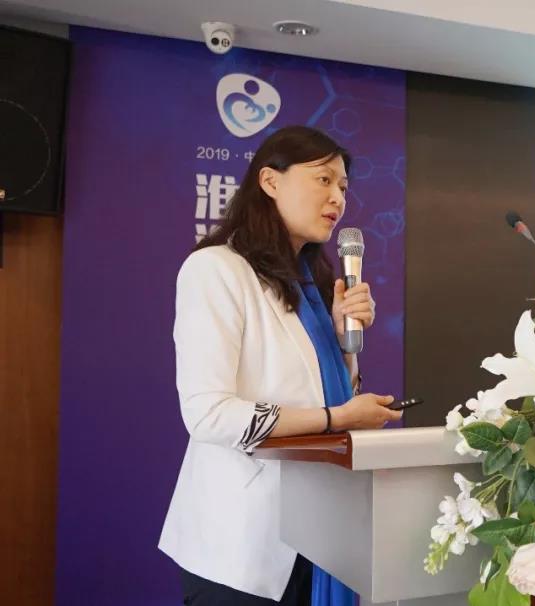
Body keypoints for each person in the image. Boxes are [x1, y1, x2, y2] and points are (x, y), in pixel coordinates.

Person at [159, 126, 401, 604]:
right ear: (270, 181)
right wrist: (335, 418)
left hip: (322, 529)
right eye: (323, 180)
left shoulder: (311, 283)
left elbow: (331, 392)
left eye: (344, 187)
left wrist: (345, 343)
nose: (338, 198)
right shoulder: (216, 269)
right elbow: (208, 414)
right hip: (243, 542)